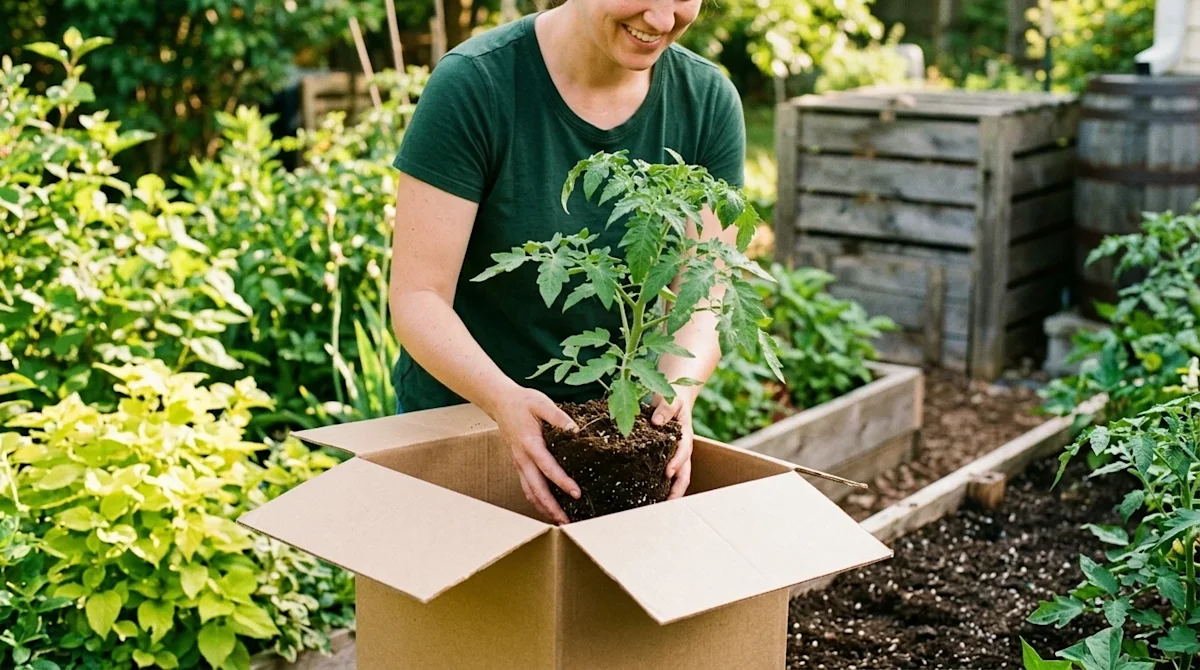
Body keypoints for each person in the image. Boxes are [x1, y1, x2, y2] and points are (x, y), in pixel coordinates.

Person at [388, 0, 746, 524]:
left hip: (613, 439)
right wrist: (504, 401)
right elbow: (418, 298)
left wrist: (676, 396)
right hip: (462, 427)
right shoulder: (476, 84)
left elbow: (707, 284)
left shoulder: (707, 101)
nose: (664, 20)